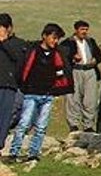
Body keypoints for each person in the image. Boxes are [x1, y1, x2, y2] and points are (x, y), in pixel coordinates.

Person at [7, 24, 73, 162]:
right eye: (53, 38)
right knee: (24, 124)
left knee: (41, 127)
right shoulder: (32, 51)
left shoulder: (57, 54)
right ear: (44, 36)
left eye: (57, 39)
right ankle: (14, 152)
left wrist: (59, 88)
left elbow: (61, 72)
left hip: (47, 94)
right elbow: (23, 69)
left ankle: (34, 154)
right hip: (31, 93)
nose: (55, 41)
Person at [61, 20, 101, 132]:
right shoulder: (67, 42)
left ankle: (88, 125)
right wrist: (72, 57)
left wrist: (96, 60)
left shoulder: (90, 41)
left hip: (90, 71)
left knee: (90, 99)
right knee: (73, 99)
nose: (84, 32)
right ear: (76, 30)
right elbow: (62, 55)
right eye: (82, 29)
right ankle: (73, 124)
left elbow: (99, 55)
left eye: (86, 29)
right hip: (75, 71)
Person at [0, 14, 27, 151]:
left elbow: (19, 59)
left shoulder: (18, 43)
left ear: (9, 28)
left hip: (8, 85)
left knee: (5, 118)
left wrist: (4, 42)